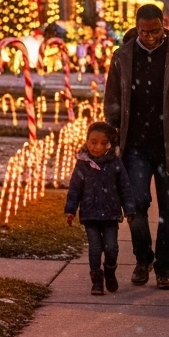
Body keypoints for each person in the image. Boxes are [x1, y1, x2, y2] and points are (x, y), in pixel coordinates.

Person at [104, 4, 169, 290]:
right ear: (136, 28)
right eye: (143, 32)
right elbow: (112, 99)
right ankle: (143, 258)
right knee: (136, 205)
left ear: (164, 26)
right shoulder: (122, 57)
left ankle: (164, 268)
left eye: (154, 31)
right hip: (134, 145)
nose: (149, 37)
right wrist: (111, 134)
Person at [65, 121, 135, 295]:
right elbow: (75, 188)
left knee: (111, 248)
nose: (96, 146)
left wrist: (129, 209)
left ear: (109, 145)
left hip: (110, 215)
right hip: (90, 215)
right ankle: (96, 280)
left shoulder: (115, 164)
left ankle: (110, 271)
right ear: (87, 141)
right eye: (93, 142)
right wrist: (71, 209)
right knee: (95, 248)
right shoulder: (83, 164)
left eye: (103, 143)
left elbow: (125, 188)